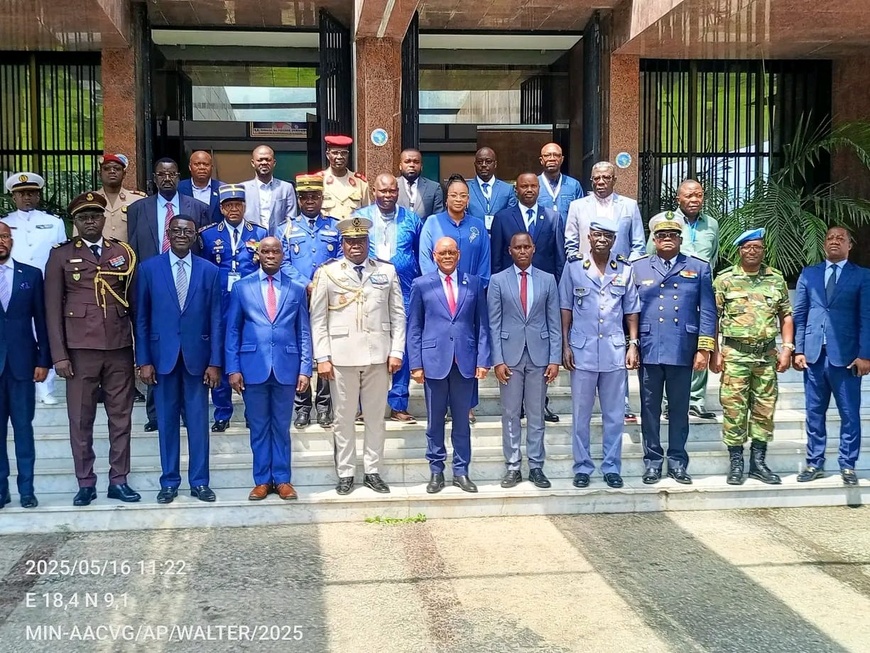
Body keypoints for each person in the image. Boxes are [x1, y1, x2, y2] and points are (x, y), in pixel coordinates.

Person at [44, 192, 140, 506]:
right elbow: (52, 309)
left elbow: (134, 302)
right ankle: (86, 482)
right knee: (80, 420)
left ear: (102, 218)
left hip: (118, 347)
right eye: (83, 217)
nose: (90, 222)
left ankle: (119, 480)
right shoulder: (60, 256)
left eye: (95, 216)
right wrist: (58, 354)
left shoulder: (121, 252)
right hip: (80, 350)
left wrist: (140, 351)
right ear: (75, 222)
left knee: (121, 418)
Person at [309, 217, 405, 495]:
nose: (355, 246)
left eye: (360, 241)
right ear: (342, 243)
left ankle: (373, 471)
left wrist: (396, 350)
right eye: (350, 242)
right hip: (342, 356)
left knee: (376, 417)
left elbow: (398, 314)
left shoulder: (386, 271)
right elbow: (318, 318)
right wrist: (323, 356)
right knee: (343, 418)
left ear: (367, 242)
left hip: (378, 355)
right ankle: (346, 472)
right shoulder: (328, 272)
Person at [135, 215, 222, 504]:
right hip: (162, 360)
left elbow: (216, 319)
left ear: (196, 235)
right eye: (176, 230)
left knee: (198, 423)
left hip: (198, 359)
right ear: (168, 234)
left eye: (187, 231)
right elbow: (142, 318)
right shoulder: (149, 269)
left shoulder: (209, 271)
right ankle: (169, 482)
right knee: (167, 422)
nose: (182, 234)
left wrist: (215, 362)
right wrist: (143, 360)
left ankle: (199, 482)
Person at [127, 158, 210, 431]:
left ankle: (188, 413)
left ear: (178, 177)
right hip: (153, 285)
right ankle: (156, 414)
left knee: (185, 348)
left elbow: (203, 249)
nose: (166, 178)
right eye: (161, 174)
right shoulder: (138, 209)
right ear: (154, 177)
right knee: (156, 343)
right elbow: (134, 249)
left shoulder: (198, 208)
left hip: (189, 287)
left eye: (171, 174)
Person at [225, 237, 312, 501]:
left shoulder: (296, 289)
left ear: (283, 254)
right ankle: (262, 480)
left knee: (282, 426)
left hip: (287, 366)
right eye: (266, 251)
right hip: (253, 368)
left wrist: (306, 368)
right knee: (260, 427)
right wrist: (233, 368)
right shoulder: (242, 288)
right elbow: (233, 330)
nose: (271, 255)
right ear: (258, 255)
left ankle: (283, 480)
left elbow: (303, 331)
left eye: (276, 251)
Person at [632, 218, 716, 485]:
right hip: (649, 347)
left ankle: (678, 462)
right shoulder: (638, 267)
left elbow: (708, 312)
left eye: (673, 234)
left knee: (679, 409)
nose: (667, 238)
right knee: (649, 409)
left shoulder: (698, 267)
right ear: (654, 240)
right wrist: (631, 345)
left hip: (682, 347)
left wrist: (704, 348)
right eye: (662, 234)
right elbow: (630, 311)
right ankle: (653, 462)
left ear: (680, 239)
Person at [559, 218, 640, 489]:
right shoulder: (573, 269)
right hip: (581, 351)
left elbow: (631, 311)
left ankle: (611, 466)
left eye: (608, 235)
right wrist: (565, 345)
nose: (602, 239)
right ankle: (582, 466)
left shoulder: (625, 271)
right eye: (597, 235)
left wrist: (633, 344)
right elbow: (565, 309)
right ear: (589, 238)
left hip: (614, 351)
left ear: (614, 240)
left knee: (614, 414)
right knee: (581, 414)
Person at [710, 228, 793, 486]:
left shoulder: (776, 279)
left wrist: (787, 347)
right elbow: (713, 317)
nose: (752, 250)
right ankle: (736, 462)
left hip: (766, 355)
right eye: (747, 247)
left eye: (757, 246)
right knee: (734, 409)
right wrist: (714, 351)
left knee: (764, 409)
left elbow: (786, 315)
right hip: (735, 354)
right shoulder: (725, 280)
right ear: (740, 250)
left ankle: (758, 462)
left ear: (763, 249)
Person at [409, 237, 491, 494]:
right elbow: (414, 327)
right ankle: (436, 471)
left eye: (451, 252)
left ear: (459, 254)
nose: (447, 256)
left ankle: (461, 471)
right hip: (434, 362)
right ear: (434, 256)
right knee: (434, 421)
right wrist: (416, 364)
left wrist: (483, 359)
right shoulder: (422, 284)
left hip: (464, 362)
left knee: (462, 422)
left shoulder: (474, 283)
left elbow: (483, 326)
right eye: (442, 252)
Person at [564, 161, 645, 422]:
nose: (601, 181)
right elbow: (570, 242)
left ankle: (621, 402)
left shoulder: (629, 206)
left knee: (617, 340)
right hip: (586, 279)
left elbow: (638, 245)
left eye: (606, 177)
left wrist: (623, 271)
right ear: (591, 179)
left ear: (614, 179)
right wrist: (582, 269)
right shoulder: (578, 206)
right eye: (596, 178)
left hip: (619, 279)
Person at [793, 226, 870, 486]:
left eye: (841, 238)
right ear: (824, 244)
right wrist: (799, 349)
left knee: (849, 413)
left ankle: (848, 465)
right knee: (814, 413)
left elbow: (866, 318)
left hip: (846, 358)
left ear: (850, 245)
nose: (834, 241)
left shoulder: (862, 276)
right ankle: (815, 462)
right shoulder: (809, 274)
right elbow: (800, 315)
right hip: (814, 356)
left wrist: (865, 355)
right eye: (830, 238)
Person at [488, 233, 560, 489]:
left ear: (533, 249)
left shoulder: (548, 280)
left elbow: (554, 323)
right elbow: (493, 323)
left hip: (540, 356)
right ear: (509, 250)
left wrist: (555, 359)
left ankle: (537, 466)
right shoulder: (497, 281)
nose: (522, 251)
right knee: (509, 413)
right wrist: (497, 360)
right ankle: (513, 466)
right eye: (517, 247)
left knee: (536, 413)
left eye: (526, 247)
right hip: (509, 355)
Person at [419, 174, 491, 423]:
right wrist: (436, 288)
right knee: (442, 349)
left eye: (463, 195)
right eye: (453, 195)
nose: (458, 199)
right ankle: (442, 406)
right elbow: (426, 259)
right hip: (439, 297)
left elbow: (484, 262)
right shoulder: (432, 223)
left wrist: (477, 290)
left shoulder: (477, 226)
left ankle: (467, 405)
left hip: (469, 298)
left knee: (467, 349)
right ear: (446, 197)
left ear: (468, 199)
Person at [197, 184, 268, 432]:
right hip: (220, 303)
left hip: (250, 305)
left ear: (244, 206)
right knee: (220, 353)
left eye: (238, 204)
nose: (234, 209)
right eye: (229, 205)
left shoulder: (259, 234)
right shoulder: (207, 236)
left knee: (248, 356)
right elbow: (203, 273)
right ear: (222, 208)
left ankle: (252, 411)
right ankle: (222, 411)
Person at [353, 173, 423, 423]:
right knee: (367, 346)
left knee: (401, 347)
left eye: (392, 191)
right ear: (374, 191)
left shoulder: (412, 219)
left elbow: (419, 255)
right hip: (367, 291)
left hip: (404, 290)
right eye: (383, 191)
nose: (388, 196)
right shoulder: (359, 218)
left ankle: (398, 403)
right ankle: (365, 407)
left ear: (398, 192)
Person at [647, 180, 720, 418]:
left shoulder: (712, 225)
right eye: (689, 195)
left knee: (702, 342)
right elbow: (651, 257)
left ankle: (696, 400)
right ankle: (671, 402)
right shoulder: (667, 221)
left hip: (699, 290)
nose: (694, 199)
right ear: (678, 198)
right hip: (670, 294)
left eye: (698, 195)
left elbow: (714, 257)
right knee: (674, 345)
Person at [280, 174, 341, 428]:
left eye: (314, 196)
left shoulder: (334, 225)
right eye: (304, 197)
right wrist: (306, 282)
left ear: (321, 198)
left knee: (325, 351)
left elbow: (340, 256)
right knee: (301, 352)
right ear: (298, 199)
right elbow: (281, 260)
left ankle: (325, 406)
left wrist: (323, 282)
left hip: (327, 298)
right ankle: (302, 406)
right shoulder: (288, 228)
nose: (309, 201)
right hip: (299, 298)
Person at [1, 172, 66, 405]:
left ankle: (45, 388)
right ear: (13, 197)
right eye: (21, 194)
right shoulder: (5, 224)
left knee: (44, 332)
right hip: (13, 286)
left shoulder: (54, 222)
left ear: (38, 196)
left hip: (45, 285)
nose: (26, 197)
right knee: (16, 335)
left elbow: (61, 257)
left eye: (31, 193)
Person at [0, 222, 50, 509]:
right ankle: (1, 490)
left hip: (23, 365)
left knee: (23, 430)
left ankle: (27, 489)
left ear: (11, 240)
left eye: (5, 236)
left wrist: (44, 360)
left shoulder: (31, 275)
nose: (1, 241)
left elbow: (41, 321)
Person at [491, 173, 566, 281]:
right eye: (524, 186)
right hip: (511, 283)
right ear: (516, 190)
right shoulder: (502, 218)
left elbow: (560, 258)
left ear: (539, 189)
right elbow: (496, 259)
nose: (529, 190)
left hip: (545, 283)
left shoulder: (553, 218)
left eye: (533, 186)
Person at [241, 145, 297, 235]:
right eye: (260, 160)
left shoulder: (286, 188)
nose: (264, 162)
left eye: (267, 159)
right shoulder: (243, 188)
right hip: (250, 240)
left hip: (278, 241)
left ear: (274, 163)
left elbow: (290, 219)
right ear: (253, 163)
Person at [93, 153, 146, 241]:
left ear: (124, 174)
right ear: (99, 174)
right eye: (106, 169)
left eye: (117, 169)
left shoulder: (138, 200)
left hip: (129, 253)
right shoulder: (90, 200)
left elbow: (145, 234)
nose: (112, 171)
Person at [466, 147, 517, 231]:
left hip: (500, 237)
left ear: (495, 164)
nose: (483, 165)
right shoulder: (466, 188)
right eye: (479, 162)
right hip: (473, 236)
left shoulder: (507, 189)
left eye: (488, 161)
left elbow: (511, 218)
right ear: (475, 165)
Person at [320, 135, 370, 219]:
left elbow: (366, 213)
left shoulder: (360, 182)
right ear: (328, 155)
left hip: (353, 230)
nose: (339, 157)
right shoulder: (319, 180)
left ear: (348, 155)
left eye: (343, 153)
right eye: (335, 153)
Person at [536, 142, 583, 220]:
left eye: (556, 155)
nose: (552, 159)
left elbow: (581, 213)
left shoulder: (574, 185)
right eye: (547, 155)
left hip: (567, 231)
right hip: (541, 232)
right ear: (541, 160)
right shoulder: (533, 185)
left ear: (562, 159)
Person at [178, 150, 224, 225]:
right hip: (186, 234)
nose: (202, 167)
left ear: (212, 167)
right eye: (197, 164)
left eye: (206, 164)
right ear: (190, 167)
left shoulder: (222, 188)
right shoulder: (179, 188)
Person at [396, 148, 444, 219]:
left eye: (416, 162)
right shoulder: (392, 186)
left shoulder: (434, 188)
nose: (412, 165)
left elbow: (438, 218)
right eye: (407, 161)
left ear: (421, 167)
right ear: (400, 166)